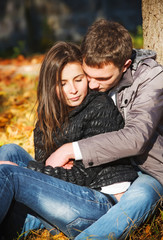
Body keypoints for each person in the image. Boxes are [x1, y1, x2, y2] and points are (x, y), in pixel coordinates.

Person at [0, 19, 162, 239]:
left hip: (129, 180)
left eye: (80, 79)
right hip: (76, 189)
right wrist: (48, 169)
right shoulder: (59, 109)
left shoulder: (147, 82)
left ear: (124, 66)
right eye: (88, 76)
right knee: (8, 152)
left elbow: (135, 138)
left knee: (11, 173)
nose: (91, 86)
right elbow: (48, 163)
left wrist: (65, 152)